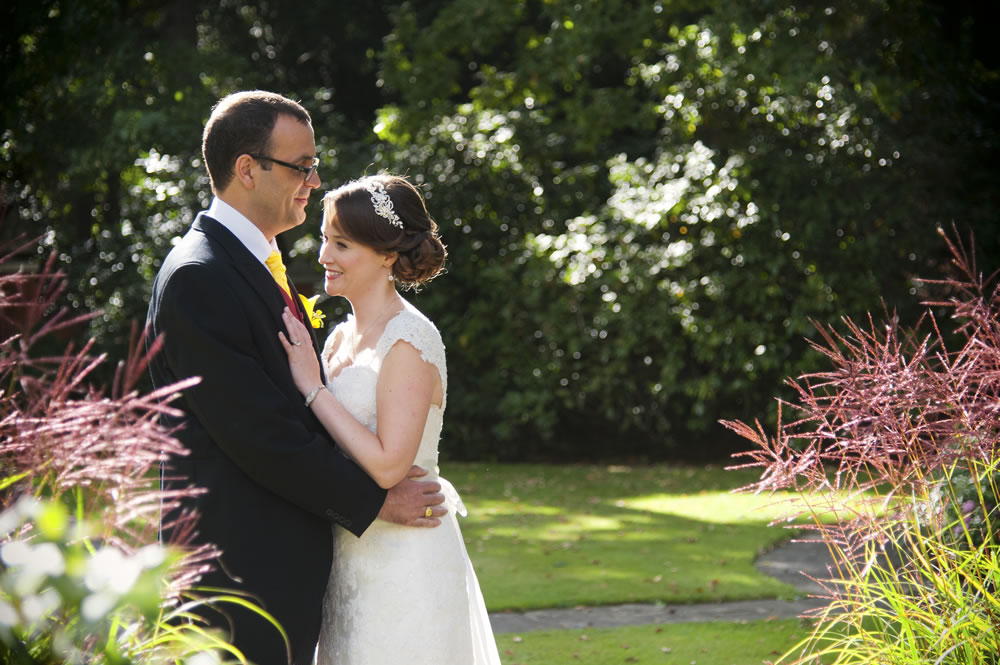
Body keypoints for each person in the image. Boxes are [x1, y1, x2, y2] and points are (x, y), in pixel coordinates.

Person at [145, 91, 446, 665]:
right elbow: (259, 434)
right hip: (235, 578)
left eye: (314, 164)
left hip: (283, 571)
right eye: (300, 165)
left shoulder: (251, 263)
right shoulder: (198, 276)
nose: (312, 178)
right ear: (247, 170)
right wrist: (376, 503)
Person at [279, 173, 501, 665]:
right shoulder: (337, 339)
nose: (323, 257)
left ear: (385, 254)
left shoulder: (408, 340)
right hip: (348, 556)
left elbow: (387, 466)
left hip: (406, 558)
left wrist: (312, 387)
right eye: (323, 239)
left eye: (340, 244)